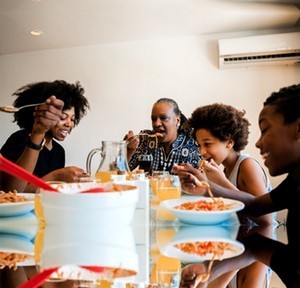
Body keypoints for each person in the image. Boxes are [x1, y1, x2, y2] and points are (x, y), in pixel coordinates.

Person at [173, 83, 300, 287]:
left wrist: (213, 185)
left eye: (265, 130)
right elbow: (256, 206)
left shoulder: (247, 165)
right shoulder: (294, 184)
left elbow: (263, 221)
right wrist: (206, 186)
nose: (258, 144)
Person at [187, 103, 274, 288]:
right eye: (200, 145)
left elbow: (265, 217)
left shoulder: (247, 166)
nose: (202, 152)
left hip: (260, 245)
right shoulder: (224, 170)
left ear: (229, 142)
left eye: (207, 144)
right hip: (234, 246)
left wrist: (217, 182)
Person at [0, 80, 90, 193]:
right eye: (63, 117)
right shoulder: (19, 139)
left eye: (72, 119)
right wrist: (56, 177)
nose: (69, 124)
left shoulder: (59, 151)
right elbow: (12, 191)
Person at [124, 98, 202, 174]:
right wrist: (128, 149)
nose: (157, 124)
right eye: (153, 119)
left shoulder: (193, 144)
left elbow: (204, 180)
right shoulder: (146, 140)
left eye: (164, 118)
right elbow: (119, 172)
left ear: (177, 121)